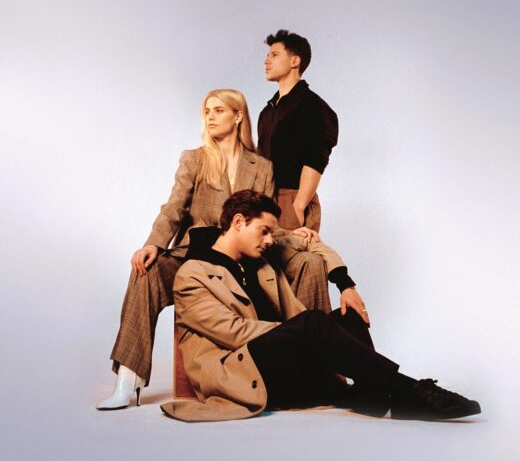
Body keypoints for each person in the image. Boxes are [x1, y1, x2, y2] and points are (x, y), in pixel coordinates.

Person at [97, 89, 335, 411]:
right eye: (207, 111)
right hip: (195, 254)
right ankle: (128, 378)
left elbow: (264, 220)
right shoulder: (195, 158)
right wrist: (153, 243)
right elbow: (174, 208)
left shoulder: (262, 167)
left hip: (243, 259)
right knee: (145, 272)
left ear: (238, 116)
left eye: (218, 110)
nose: (210, 117)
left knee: (308, 262)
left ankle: (315, 368)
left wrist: (294, 234)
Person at [161, 190, 481, 422]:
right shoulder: (193, 274)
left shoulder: (260, 259)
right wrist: (300, 335)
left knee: (347, 316)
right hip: (239, 372)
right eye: (264, 231)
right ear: (238, 222)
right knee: (312, 323)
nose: (270, 239)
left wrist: (346, 285)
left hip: (282, 366)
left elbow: (313, 243)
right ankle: (410, 390)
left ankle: (369, 397)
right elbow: (232, 332)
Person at [258, 29, 338, 231]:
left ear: (294, 61)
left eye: (274, 55)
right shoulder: (267, 112)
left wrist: (299, 205)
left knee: (295, 251)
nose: (266, 61)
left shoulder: (313, 105)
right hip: (264, 200)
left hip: (291, 199)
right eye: (267, 55)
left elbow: (316, 157)